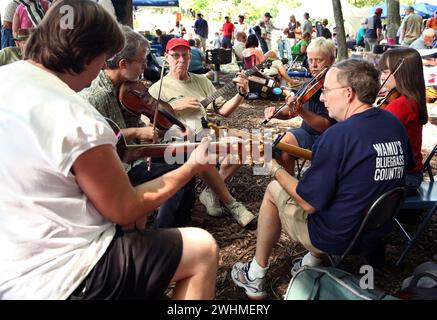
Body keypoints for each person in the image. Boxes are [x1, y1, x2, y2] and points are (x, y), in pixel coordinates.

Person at [0, 0, 218, 300]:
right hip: (60, 277)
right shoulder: (74, 115)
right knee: (201, 248)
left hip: (11, 259)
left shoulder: (7, 79)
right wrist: (192, 167)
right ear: (85, 53)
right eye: (103, 57)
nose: (103, 66)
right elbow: (124, 206)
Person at [231, 59, 410, 300]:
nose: (322, 98)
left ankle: (255, 275)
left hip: (338, 236)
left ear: (348, 93)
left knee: (274, 188)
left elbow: (308, 202)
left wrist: (272, 167)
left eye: (326, 90)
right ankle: (310, 262)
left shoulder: (337, 136)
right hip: (377, 228)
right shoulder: (394, 124)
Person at [79, 25, 196, 229]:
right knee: (182, 175)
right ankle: (163, 233)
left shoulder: (127, 88)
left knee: (184, 162)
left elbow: (137, 128)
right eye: (142, 63)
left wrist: (150, 129)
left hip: (133, 157)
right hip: (116, 170)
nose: (144, 68)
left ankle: (170, 225)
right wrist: (137, 132)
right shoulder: (94, 95)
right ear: (123, 63)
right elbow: (94, 137)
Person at [148, 37, 256, 227]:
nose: (181, 60)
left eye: (185, 55)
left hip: (207, 136)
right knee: (201, 150)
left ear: (190, 57)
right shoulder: (157, 89)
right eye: (175, 55)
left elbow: (224, 110)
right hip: (177, 145)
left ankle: (210, 192)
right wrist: (174, 107)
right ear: (166, 58)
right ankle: (232, 204)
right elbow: (149, 126)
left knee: (247, 147)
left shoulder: (202, 82)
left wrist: (241, 93)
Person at [265, 37, 337, 175]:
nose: (313, 65)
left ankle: (289, 189)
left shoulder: (334, 87)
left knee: (283, 144)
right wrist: (276, 113)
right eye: (310, 60)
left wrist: (300, 110)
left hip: (327, 139)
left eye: (319, 60)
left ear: (331, 61)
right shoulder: (310, 84)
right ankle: (289, 188)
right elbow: (291, 111)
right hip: (306, 134)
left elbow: (325, 126)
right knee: (282, 150)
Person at [379, 48, 428, 194]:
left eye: (386, 72)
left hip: (406, 178)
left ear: (402, 73)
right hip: (412, 175)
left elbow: (373, 134)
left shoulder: (401, 105)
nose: (382, 77)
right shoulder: (411, 100)